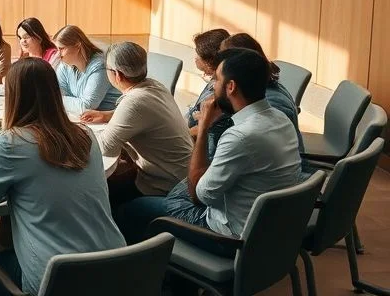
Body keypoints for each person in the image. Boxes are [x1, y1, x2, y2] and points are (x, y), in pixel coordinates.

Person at [0, 58, 126, 296]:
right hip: (120, 268)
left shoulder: (9, 144)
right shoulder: (86, 135)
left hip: (60, 281)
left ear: (12, 96)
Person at [119, 49, 303, 245]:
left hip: (231, 239)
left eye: (216, 80)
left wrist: (204, 128)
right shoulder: (280, 119)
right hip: (271, 231)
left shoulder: (240, 136)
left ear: (230, 87)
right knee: (177, 190)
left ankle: (154, 270)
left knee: (133, 209)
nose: (212, 87)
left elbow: (199, 196)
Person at [81, 42, 192, 207]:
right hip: (182, 176)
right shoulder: (153, 86)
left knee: (98, 195)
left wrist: (80, 131)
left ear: (117, 75)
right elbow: (142, 116)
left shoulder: (134, 102)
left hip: (166, 187)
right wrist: (107, 115)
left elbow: (106, 148)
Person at [196, 33, 304, 160]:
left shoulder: (273, 105)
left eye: (225, 62)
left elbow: (200, 177)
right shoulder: (255, 96)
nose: (217, 70)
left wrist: (205, 127)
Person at [51, 25, 120, 114]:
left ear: (78, 45)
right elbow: (58, 93)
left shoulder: (100, 66)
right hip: (85, 120)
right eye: (57, 49)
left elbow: (87, 106)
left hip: (106, 121)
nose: (58, 55)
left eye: (61, 49)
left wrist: (56, 99)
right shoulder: (64, 66)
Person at [184, 29, 231, 139]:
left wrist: (180, 135)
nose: (195, 58)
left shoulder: (222, 90)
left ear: (210, 61)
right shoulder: (215, 78)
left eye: (198, 54)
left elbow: (207, 129)